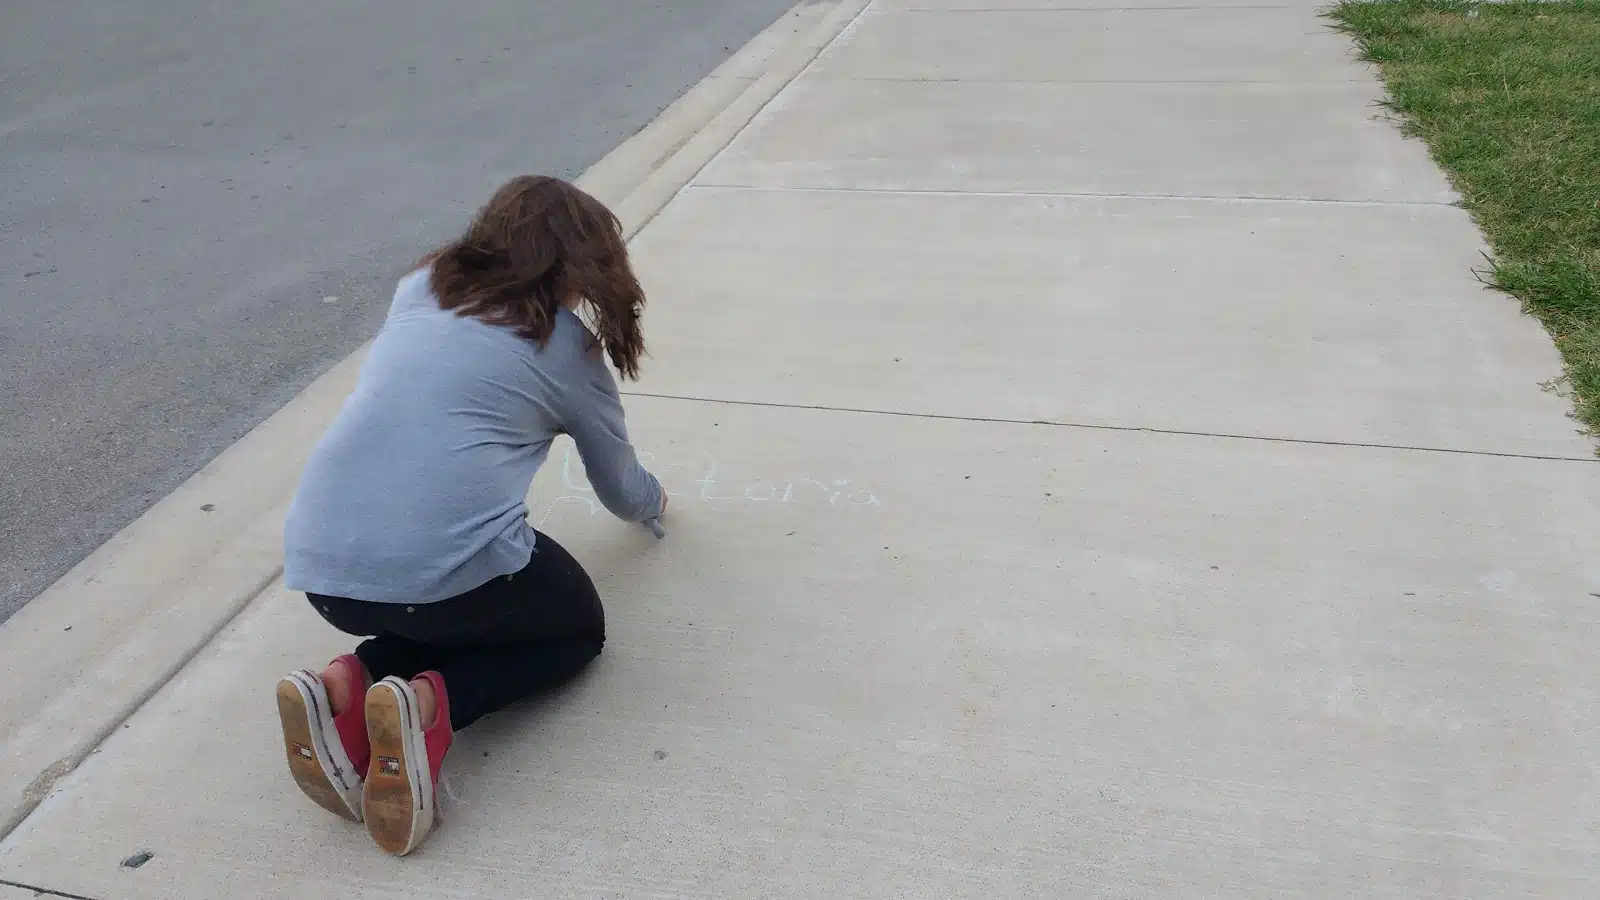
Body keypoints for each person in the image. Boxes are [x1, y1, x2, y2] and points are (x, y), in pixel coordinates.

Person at [274, 175, 665, 856]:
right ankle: (434, 706)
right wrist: (654, 506)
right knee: (573, 629)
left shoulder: (420, 288)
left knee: (442, 597)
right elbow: (620, 487)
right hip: (439, 587)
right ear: (580, 262)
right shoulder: (567, 348)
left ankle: (349, 683)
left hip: (324, 577)